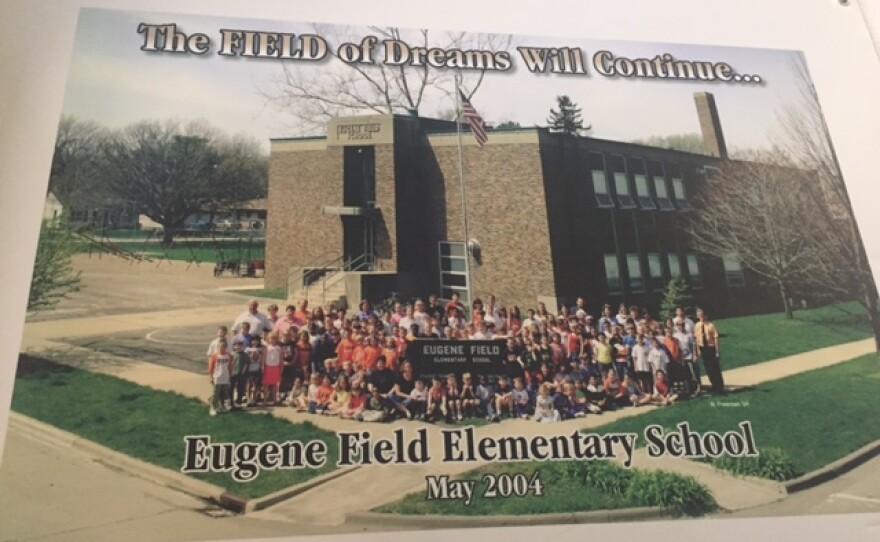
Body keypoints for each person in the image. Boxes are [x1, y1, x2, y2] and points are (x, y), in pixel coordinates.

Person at [694, 309, 725, 394]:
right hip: (703, 348)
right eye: (699, 314)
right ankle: (714, 386)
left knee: (715, 368)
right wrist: (698, 350)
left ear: (705, 316)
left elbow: (716, 338)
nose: (701, 316)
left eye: (702, 314)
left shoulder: (710, 325)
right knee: (708, 369)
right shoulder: (697, 325)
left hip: (711, 348)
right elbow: (696, 339)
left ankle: (720, 387)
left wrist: (717, 351)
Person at [207, 339, 233, 416]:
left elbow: (230, 366)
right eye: (220, 347)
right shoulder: (215, 356)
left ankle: (224, 406)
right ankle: (213, 408)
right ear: (218, 347)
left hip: (225, 377)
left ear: (226, 347)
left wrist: (230, 375)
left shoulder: (229, 355)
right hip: (217, 377)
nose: (222, 348)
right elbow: (211, 368)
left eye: (224, 347)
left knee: (225, 393)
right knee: (216, 394)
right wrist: (211, 377)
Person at [262, 332, 283, 405]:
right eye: (271, 339)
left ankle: (274, 400)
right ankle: (265, 400)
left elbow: (281, 358)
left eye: (274, 339)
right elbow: (263, 358)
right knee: (266, 384)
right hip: (268, 367)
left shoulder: (279, 348)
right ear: (268, 339)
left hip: (276, 367)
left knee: (275, 384)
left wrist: (281, 367)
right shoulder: (266, 348)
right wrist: (263, 367)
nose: (273, 340)